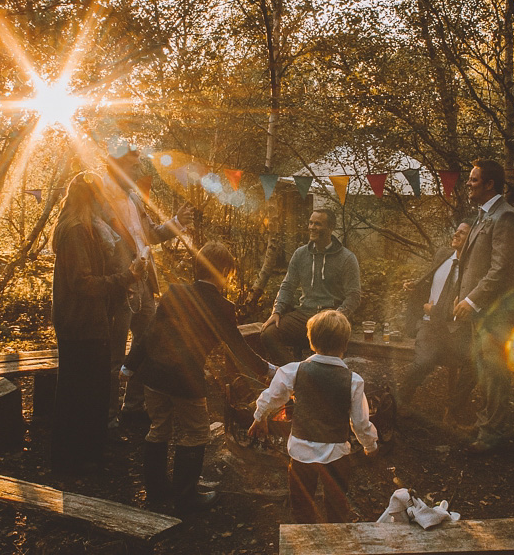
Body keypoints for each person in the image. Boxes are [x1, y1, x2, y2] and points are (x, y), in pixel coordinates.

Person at [120, 242, 275, 513]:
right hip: (184, 380)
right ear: (223, 272)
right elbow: (237, 346)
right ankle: (185, 496)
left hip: (153, 375)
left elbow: (150, 332)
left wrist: (129, 366)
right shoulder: (222, 306)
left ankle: (156, 491)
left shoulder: (175, 293)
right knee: (196, 432)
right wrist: (269, 370)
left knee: (159, 428)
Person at [249, 310, 378, 524]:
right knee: (337, 507)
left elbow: (273, 396)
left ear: (310, 341)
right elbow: (360, 422)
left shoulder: (294, 371)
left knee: (301, 506)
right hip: (336, 456)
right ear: (345, 345)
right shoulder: (353, 381)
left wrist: (259, 416)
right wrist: (370, 446)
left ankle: (304, 539)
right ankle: (335, 540)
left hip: (301, 454)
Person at [50, 172, 141, 475]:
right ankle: (75, 458)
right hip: (80, 322)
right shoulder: (75, 231)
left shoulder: (85, 229)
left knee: (86, 388)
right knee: (81, 390)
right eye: (99, 195)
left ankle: (83, 453)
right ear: (90, 198)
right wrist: (127, 277)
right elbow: (82, 283)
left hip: (84, 321)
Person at [103, 142, 194, 425]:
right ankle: (108, 417)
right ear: (116, 165)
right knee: (114, 354)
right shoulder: (99, 197)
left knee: (148, 345)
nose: (137, 170)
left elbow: (151, 235)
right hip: (120, 285)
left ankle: (133, 407)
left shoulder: (134, 197)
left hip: (144, 282)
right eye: (132, 165)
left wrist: (177, 221)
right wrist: (121, 275)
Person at [450, 159, 514, 454]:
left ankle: (492, 436)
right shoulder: (483, 216)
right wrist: (461, 294)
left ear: (490, 184)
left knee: (495, 373)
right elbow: (471, 264)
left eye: (473, 180)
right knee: (483, 370)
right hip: (480, 311)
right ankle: (485, 427)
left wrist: (472, 299)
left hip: (497, 313)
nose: (468, 184)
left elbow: (501, 269)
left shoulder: (506, 217)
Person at [259, 208, 361, 365]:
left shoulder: (347, 258)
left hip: (331, 316)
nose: (312, 227)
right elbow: (287, 286)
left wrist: (336, 317)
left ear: (330, 228)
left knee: (326, 346)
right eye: (311, 222)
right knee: (269, 333)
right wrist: (277, 311)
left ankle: (319, 380)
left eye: (318, 224)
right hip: (304, 315)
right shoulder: (300, 254)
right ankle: (294, 374)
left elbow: (353, 296)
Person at [397, 221, 472, 417]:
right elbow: (431, 284)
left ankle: (453, 408)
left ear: (472, 240)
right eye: (457, 230)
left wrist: (435, 310)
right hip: (429, 326)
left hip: (455, 330)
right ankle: (399, 403)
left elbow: (460, 308)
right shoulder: (443, 255)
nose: (456, 234)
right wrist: (416, 286)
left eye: (463, 233)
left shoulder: (472, 269)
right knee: (424, 362)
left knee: (477, 363)